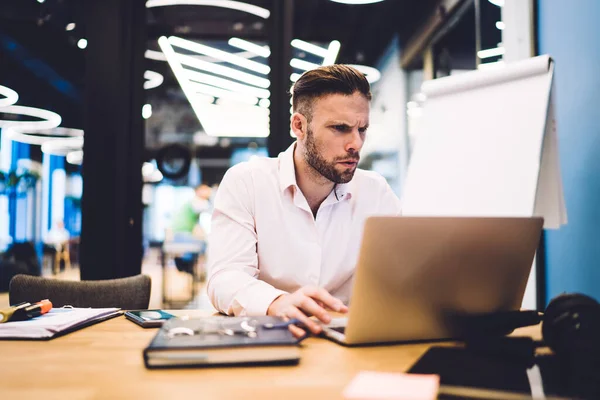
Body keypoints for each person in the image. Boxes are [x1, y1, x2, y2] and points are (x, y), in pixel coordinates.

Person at [207, 65, 402, 337]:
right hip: (268, 337)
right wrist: (276, 302)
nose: (355, 144)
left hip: (350, 342)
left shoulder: (376, 192)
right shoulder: (247, 182)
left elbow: (401, 277)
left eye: (362, 129)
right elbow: (225, 278)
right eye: (340, 128)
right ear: (299, 125)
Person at [170, 183, 212, 274]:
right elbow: (209, 210)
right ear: (197, 191)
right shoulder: (196, 202)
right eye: (204, 189)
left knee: (203, 244)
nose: (208, 191)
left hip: (180, 234)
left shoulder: (193, 202)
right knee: (205, 245)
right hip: (181, 234)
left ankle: (187, 264)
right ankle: (185, 263)